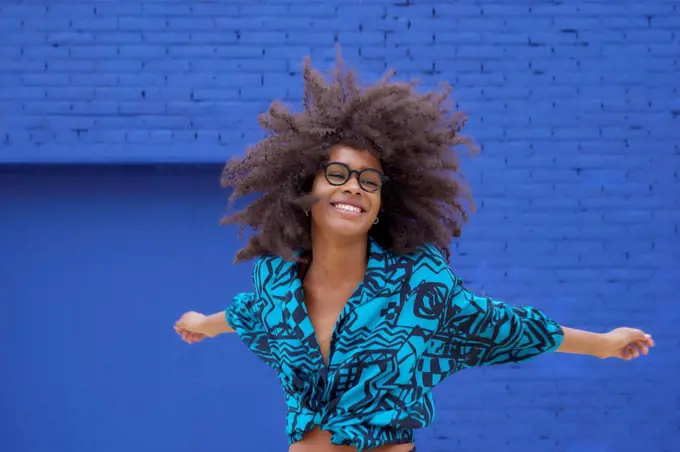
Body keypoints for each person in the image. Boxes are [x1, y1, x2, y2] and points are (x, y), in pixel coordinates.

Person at [173, 54, 655, 452]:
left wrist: (602, 343)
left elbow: (506, 325)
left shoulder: (420, 287)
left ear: (382, 203)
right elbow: (244, 315)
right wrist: (201, 323)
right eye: (338, 175)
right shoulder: (276, 284)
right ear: (306, 188)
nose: (355, 188)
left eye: (370, 180)